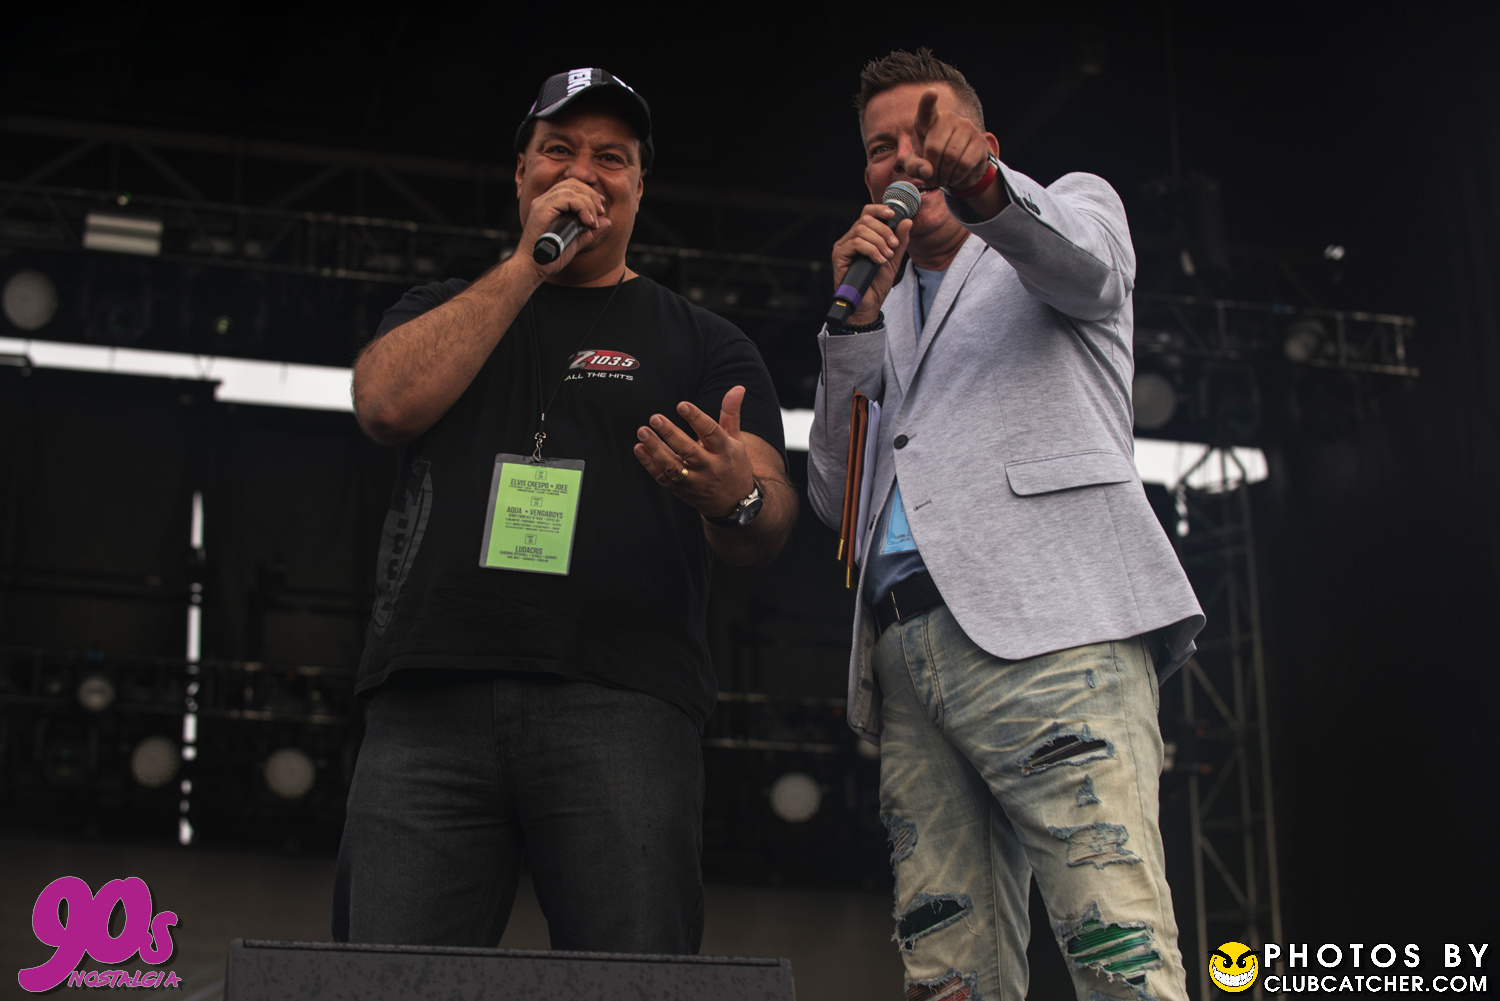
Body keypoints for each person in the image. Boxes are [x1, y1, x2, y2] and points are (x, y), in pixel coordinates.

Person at [333, 67, 796, 955]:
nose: (584, 172)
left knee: (632, 971)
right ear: (522, 175)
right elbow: (385, 404)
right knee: (385, 970)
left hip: (622, 703)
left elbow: (770, 515)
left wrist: (733, 493)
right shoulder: (442, 309)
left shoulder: (705, 342)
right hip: (432, 698)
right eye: (559, 150)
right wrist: (525, 267)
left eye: (611, 157)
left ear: (639, 187)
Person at [806, 49, 1205, 1001]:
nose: (904, 159)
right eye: (880, 148)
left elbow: (1092, 271)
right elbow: (834, 495)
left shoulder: (1066, 209)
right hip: (906, 653)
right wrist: (852, 330)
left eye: (923, 133)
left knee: (1114, 947)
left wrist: (986, 185)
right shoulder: (882, 300)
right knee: (945, 972)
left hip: (1053, 629)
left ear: (975, 140)